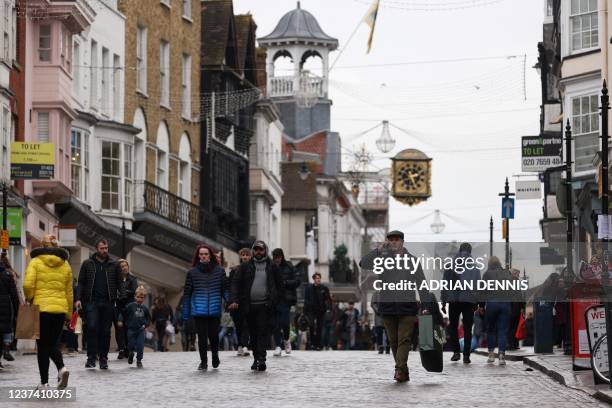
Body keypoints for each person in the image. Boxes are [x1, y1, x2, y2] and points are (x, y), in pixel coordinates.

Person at [361, 230, 433, 383]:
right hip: (387, 307)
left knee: (404, 340)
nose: (394, 242)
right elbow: (363, 263)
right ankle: (403, 370)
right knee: (393, 342)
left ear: (402, 242)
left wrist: (426, 306)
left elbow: (422, 284)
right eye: (391, 240)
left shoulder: (413, 261)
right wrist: (378, 250)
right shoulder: (382, 259)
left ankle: (399, 370)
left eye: (396, 240)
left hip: (407, 307)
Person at [23, 234, 72, 388]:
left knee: (43, 346)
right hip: (59, 310)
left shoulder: (36, 262)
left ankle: (45, 382)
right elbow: (69, 292)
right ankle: (61, 369)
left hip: (41, 309)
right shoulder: (65, 265)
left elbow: (27, 285)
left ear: (42, 245)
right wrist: (69, 314)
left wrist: (30, 297)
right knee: (51, 344)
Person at [229, 240, 283, 372]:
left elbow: (280, 286)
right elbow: (236, 284)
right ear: (253, 251)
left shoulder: (272, 266)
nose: (258, 252)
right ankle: (255, 358)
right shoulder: (245, 266)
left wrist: (274, 300)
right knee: (252, 334)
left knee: (262, 333)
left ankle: (262, 359)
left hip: (265, 306)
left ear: (265, 251)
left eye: (261, 250)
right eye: (256, 249)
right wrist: (235, 299)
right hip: (248, 306)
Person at [75, 239, 120, 369]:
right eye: (102, 248)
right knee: (92, 327)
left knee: (105, 331)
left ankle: (103, 358)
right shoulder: (87, 264)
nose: (105, 250)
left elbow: (119, 283)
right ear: (96, 249)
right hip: (91, 302)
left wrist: (121, 298)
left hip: (108, 302)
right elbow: (81, 283)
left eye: (106, 248)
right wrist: (78, 298)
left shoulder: (113, 264)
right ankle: (91, 357)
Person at [183, 244, 228, 370]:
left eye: (206, 254)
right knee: (202, 337)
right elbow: (187, 294)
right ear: (198, 256)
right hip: (199, 311)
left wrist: (230, 303)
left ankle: (215, 355)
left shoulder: (219, 271)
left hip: (214, 311)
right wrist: (186, 313)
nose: (203, 256)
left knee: (214, 336)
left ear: (210, 255)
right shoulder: (192, 272)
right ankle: (203, 362)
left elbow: (225, 290)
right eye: (201, 254)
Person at [440, 242, 482, 364]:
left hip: (454, 300)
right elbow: (478, 285)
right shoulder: (475, 267)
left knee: (453, 327)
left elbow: (445, 285)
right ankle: (466, 356)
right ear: (470, 252)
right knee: (468, 328)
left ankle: (456, 352)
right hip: (469, 300)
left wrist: (443, 302)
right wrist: (478, 303)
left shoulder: (450, 265)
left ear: (459, 250)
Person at [482, 256, 514, 365]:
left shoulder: (487, 274)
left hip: (492, 303)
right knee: (503, 331)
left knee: (491, 329)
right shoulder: (506, 273)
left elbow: (483, 291)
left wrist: (481, 306)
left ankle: (491, 355)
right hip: (505, 304)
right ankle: (501, 355)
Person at [271, 248, 301, 356]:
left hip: (286, 299)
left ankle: (287, 340)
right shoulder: (271, 267)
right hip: (274, 299)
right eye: (275, 258)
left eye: (278, 257)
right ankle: (278, 346)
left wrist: (285, 283)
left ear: (282, 257)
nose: (277, 260)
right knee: (275, 324)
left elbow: (297, 281)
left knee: (284, 322)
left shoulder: (289, 266)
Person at [119, 285, 150, 368]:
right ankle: (131, 353)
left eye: (142, 297)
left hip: (141, 330)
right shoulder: (130, 306)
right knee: (131, 345)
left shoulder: (145, 309)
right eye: (138, 297)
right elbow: (123, 313)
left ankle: (139, 360)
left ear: (144, 298)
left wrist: (146, 325)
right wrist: (120, 320)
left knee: (140, 346)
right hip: (131, 329)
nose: (140, 299)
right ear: (135, 297)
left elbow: (148, 319)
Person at [229, 248, 251, 357]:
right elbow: (232, 286)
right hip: (237, 302)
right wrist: (233, 300)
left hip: (248, 301)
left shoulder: (253, 269)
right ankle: (240, 345)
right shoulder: (235, 271)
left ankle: (245, 345)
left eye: (247, 255)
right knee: (238, 325)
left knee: (246, 323)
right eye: (243, 255)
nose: (245, 257)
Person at [114, 259, 138, 359]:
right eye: (122, 266)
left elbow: (134, 291)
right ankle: (121, 349)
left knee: (128, 328)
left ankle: (128, 349)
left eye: (125, 265)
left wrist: (124, 292)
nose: (124, 268)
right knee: (119, 328)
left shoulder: (132, 278)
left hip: (129, 307)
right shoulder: (115, 279)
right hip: (118, 306)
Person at [303, 272, 331, 350]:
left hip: (321, 311)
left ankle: (318, 345)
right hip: (311, 311)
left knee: (319, 328)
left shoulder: (324, 288)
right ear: (314, 279)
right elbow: (306, 300)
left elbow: (328, 299)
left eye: (319, 278)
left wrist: (328, 308)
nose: (318, 280)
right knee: (311, 327)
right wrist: (304, 311)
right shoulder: (309, 288)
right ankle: (312, 344)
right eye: (317, 278)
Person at [0, 255, 19, 369]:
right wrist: (17, 311)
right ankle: (6, 349)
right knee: (6, 329)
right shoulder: (8, 275)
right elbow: (14, 294)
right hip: (6, 306)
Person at [506, 268, 524, 351]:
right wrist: (522, 307)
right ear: (512, 273)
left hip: (512, 308)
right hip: (514, 308)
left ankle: (512, 344)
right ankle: (513, 344)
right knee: (513, 327)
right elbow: (520, 297)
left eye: (518, 274)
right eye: (517, 273)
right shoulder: (513, 282)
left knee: (512, 327)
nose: (518, 275)